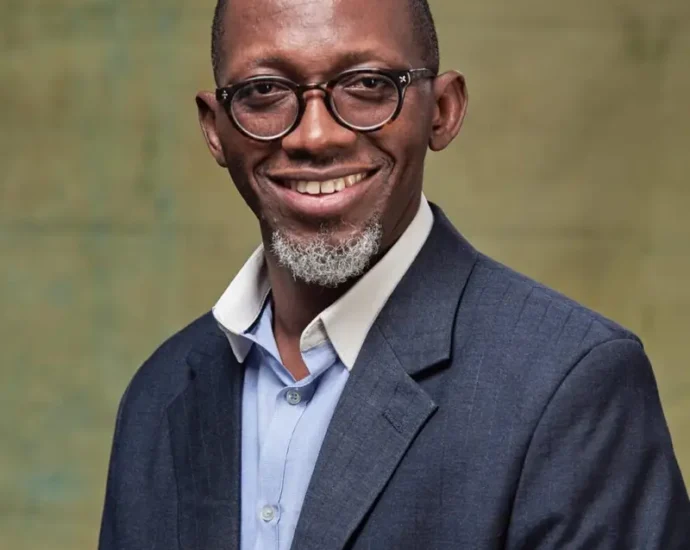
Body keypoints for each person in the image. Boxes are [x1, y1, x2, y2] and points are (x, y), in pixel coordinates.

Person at [98, 0, 690, 548]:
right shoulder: (160, 395)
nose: (315, 136)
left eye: (367, 85)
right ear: (214, 128)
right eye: (264, 90)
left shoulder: (570, 385)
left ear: (443, 110)